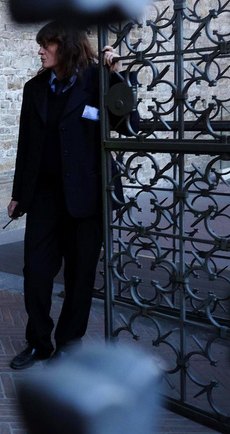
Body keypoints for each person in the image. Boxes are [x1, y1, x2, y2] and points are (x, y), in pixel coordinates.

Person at [8, 21, 139, 370]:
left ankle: (69, 343)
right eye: (41, 45)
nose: (40, 51)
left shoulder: (98, 80)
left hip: (88, 195)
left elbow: (128, 124)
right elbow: (27, 145)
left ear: (65, 47)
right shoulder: (34, 88)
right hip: (44, 196)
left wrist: (119, 79)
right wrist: (19, 193)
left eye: (46, 45)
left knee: (80, 275)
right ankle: (38, 342)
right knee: (35, 272)